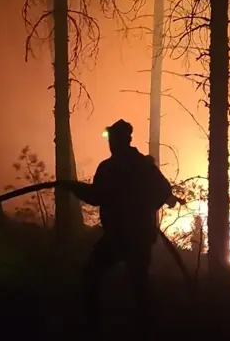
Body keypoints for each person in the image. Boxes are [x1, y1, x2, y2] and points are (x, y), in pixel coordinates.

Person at [65, 119, 176, 333]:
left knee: (92, 275)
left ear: (122, 140)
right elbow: (163, 191)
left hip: (120, 236)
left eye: (113, 138)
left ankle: (95, 327)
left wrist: (74, 188)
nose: (111, 143)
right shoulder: (143, 165)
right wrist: (147, 210)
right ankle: (145, 328)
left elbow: (95, 196)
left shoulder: (111, 167)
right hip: (138, 235)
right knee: (138, 283)